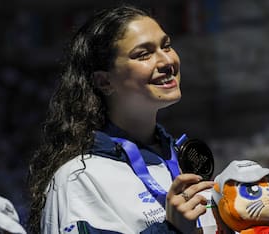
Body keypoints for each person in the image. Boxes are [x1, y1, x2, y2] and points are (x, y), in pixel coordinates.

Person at [28, 5, 232, 234]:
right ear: (104, 82)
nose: (167, 61)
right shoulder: (79, 178)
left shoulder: (183, 160)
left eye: (166, 46)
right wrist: (171, 230)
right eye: (143, 54)